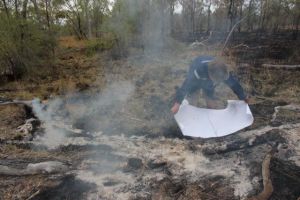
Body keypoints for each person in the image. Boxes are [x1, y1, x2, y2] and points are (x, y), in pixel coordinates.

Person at [171, 55, 249, 114]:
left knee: (211, 105)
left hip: (208, 83)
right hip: (195, 83)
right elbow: (186, 86)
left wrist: (243, 96)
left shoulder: (222, 71)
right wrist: (177, 104)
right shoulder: (198, 71)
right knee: (192, 105)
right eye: (217, 80)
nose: (220, 82)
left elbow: (234, 84)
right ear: (210, 75)